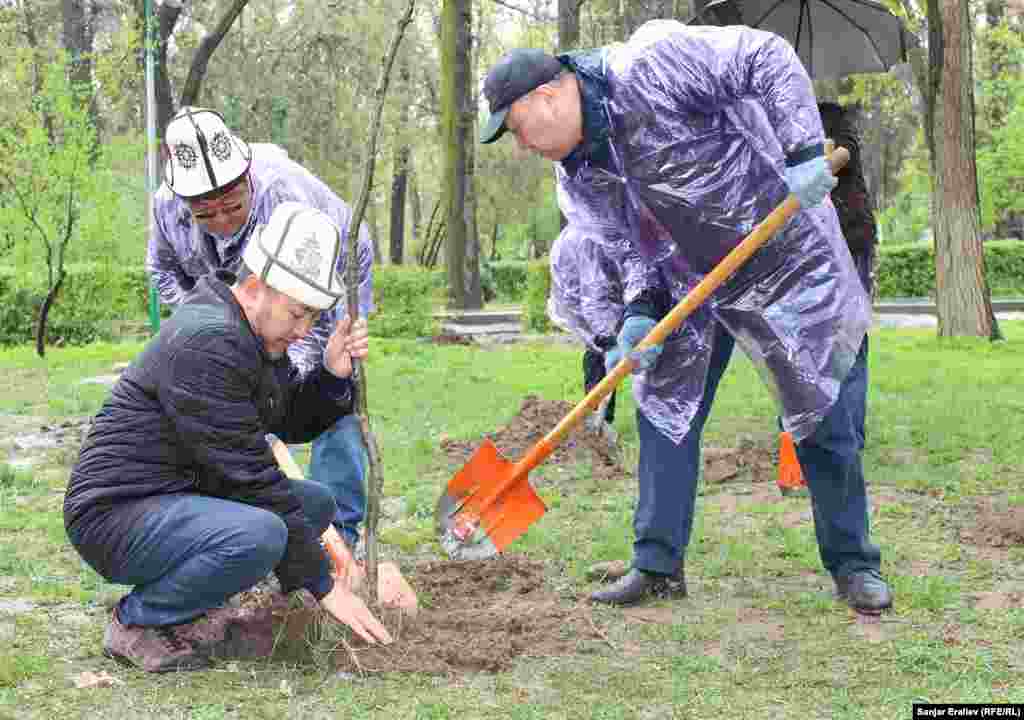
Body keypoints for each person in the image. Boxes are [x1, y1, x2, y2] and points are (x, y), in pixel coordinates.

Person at [480, 21, 892, 613]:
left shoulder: (650, 67)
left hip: (782, 254)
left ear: (547, 97)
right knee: (663, 411)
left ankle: (854, 564)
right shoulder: (579, 176)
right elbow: (630, 245)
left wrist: (801, 152)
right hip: (689, 281)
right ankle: (657, 564)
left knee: (822, 411)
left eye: (516, 129)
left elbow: (766, 57)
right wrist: (639, 314)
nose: (521, 145)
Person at [64, 203, 393, 673]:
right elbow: (254, 477)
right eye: (298, 315)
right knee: (261, 533)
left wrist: (332, 372)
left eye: (312, 319)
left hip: (176, 493)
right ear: (257, 286)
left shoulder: (250, 334)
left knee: (313, 503)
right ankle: (136, 622)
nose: (302, 332)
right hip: (114, 513)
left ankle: (198, 603)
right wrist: (324, 586)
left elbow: (288, 420)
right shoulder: (207, 341)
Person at [148, 106, 373, 550]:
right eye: (205, 214)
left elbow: (299, 321)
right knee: (235, 397)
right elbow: (163, 272)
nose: (223, 220)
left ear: (247, 176)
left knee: (332, 385)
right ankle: (255, 523)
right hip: (246, 297)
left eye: (232, 206)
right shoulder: (166, 207)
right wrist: (207, 326)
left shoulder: (284, 200)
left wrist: (281, 378)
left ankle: (341, 533)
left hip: (327, 278)